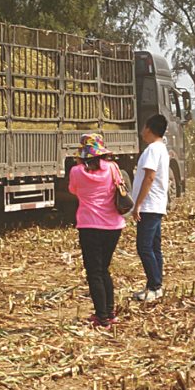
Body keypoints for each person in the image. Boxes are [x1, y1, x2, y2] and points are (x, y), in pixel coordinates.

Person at [68, 134, 125, 329]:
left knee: (94, 272)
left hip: (89, 226)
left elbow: (73, 191)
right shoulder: (113, 168)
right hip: (113, 226)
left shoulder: (76, 171)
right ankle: (109, 312)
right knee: (104, 269)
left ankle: (102, 317)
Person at [131, 114, 171, 302]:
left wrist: (138, 204)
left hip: (149, 205)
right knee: (154, 247)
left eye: (143, 127)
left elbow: (149, 177)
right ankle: (155, 286)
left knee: (144, 247)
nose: (141, 131)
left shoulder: (152, 150)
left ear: (148, 128)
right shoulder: (161, 148)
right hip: (156, 204)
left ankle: (154, 286)